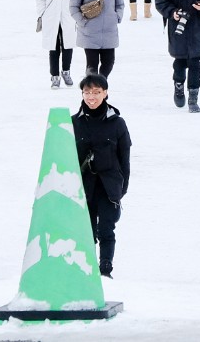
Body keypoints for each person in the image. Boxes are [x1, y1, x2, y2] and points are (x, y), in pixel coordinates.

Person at [71, 73, 130, 279]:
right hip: (83, 186)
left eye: (96, 92)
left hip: (108, 186)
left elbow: (125, 159)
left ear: (105, 93)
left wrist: (121, 189)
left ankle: (105, 269)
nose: (91, 97)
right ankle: (85, 271)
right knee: (85, 231)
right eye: (87, 92)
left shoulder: (117, 123)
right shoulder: (73, 123)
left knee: (106, 228)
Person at [37, 0, 81, 88]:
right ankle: (54, 76)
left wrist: (76, 12)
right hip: (51, 16)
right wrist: (42, 13)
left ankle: (66, 71)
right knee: (54, 47)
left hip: (68, 16)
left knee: (68, 45)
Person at [74, 0, 123, 79]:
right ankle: (92, 90)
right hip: (89, 32)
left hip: (109, 31)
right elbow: (73, 6)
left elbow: (120, 4)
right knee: (92, 66)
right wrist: (82, 21)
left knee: (109, 63)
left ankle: (100, 85)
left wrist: (117, 17)